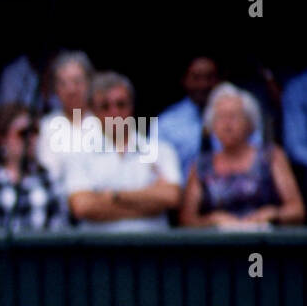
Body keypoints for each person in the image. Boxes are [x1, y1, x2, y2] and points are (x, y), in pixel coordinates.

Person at [65, 72, 182, 232]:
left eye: (121, 104)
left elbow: (171, 197)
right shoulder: (78, 155)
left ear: (132, 106)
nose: (114, 113)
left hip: (151, 250)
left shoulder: (161, 150)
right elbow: (82, 207)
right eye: (105, 106)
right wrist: (150, 203)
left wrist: (114, 196)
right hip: (98, 252)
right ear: (93, 111)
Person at [179, 84, 303, 228]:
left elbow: (296, 210)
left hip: (263, 242)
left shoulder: (271, 156)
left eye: (234, 116)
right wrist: (212, 220)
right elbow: (187, 219)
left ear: (250, 123)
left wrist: (273, 214)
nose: (227, 124)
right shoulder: (201, 165)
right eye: (220, 117)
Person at [0, 102, 67, 231]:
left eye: (35, 132)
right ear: (2, 138)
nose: (31, 139)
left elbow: (59, 228)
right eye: (23, 133)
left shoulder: (49, 178)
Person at [35, 50, 96, 191]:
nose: (71, 89)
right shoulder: (45, 127)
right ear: (55, 89)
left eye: (77, 81)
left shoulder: (105, 124)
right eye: (63, 83)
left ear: (90, 83)